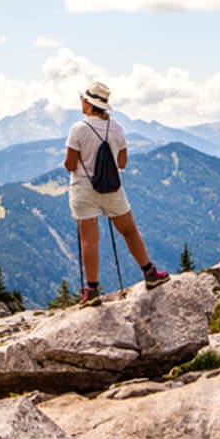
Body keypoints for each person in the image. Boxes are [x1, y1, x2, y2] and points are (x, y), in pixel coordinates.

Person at [63, 80, 168, 304]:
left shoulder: (78, 129)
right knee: (129, 231)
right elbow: (122, 162)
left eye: (83, 99)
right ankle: (150, 273)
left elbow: (70, 164)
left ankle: (92, 291)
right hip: (112, 187)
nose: (81, 102)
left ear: (89, 105)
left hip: (83, 189)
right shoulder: (117, 128)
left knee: (89, 240)